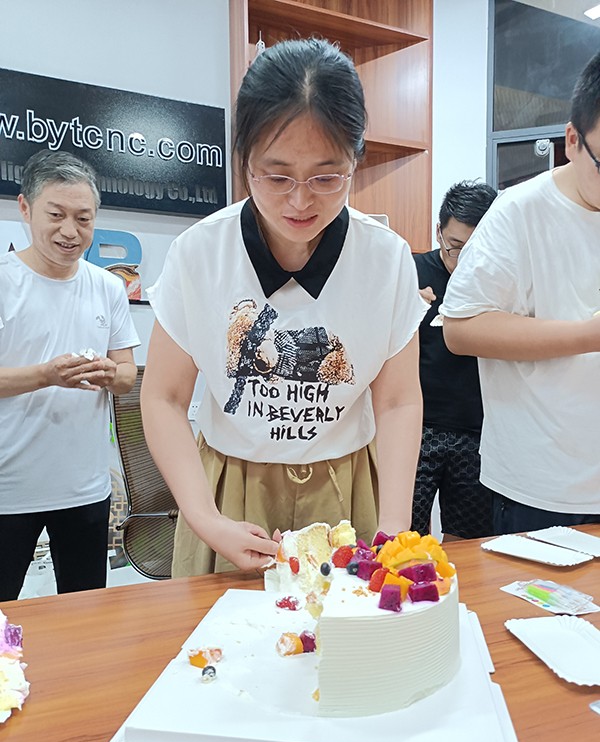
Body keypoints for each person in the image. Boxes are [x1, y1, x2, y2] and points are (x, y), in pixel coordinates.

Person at [141, 37, 426, 575]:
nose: (300, 200)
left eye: (327, 176)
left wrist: (394, 526)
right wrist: (204, 517)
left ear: (355, 160)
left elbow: (397, 403)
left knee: (348, 624)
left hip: (347, 486)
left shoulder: (384, 258)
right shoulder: (200, 253)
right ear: (244, 160)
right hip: (231, 487)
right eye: (276, 176)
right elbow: (163, 397)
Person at [441, 50, 600, 535]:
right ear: (572, 141)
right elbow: (460, 328)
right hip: (542, 488)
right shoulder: (519, 212)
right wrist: (589, 335)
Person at [0, 150, 139, 601]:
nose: (70, 231)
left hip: (85, 490)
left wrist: (110, 373)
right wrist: (45, 375)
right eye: (56, 215)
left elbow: (127, 374)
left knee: (85, 613)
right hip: (8, 490)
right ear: (25, 208)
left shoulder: (108, 286)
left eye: (83, 219)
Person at [411, 180, 497, 540]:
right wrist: (406, 308)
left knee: (470, 540)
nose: (463, 261)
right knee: (404, 535)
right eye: (455, 247)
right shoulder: (411, 272)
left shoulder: (499, 284)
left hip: (478, 431)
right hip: (417, 430)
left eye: (475, 250)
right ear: (439, 232)